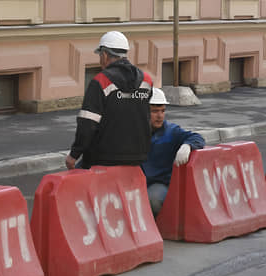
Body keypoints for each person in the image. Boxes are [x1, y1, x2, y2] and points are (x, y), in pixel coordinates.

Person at [66, 31, 152, 170]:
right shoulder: (146, 80)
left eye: (100, 56)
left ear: (105, 55)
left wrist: (74, 154)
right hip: (138, 157)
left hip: (103, 158)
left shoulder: (100, 81)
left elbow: (88, 123)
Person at [141, 87, 204, 216]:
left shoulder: (171, 131)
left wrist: (187, 145)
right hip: (136, 182)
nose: (160, 116)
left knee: (153, 199)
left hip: (158, 183)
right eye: (155, 111)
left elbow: (197, 138)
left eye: (163, 111)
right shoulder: (135, 132)